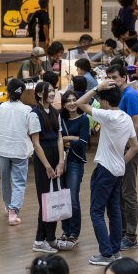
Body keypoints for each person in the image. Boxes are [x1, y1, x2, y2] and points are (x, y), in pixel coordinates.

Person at [75, 81, 138, 266]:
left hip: (105, 170)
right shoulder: (126, 118)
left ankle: (106, 253)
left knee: (96, 211)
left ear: (104, 101)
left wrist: (96, 88)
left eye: (101, 99)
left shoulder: (108, 116)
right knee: (114, 211)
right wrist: (121, 162)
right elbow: (134, 148)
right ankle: (114, 251)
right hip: (118, 170)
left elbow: (80, 103)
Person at [105, 63, 138, 253]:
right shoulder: (119, 95)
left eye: (114, 77)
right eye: (109, 77)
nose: (111, 80)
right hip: (119, 152)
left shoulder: (130, 96)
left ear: (124, 77)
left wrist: (126, 145)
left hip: (129, 152)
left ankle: (131, 236)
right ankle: (122, 232)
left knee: (128, 193)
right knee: (120, 193)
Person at [30, 81, 65, 254]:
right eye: (48, 91)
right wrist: (47, 166)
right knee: (45, 200)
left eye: (53, 90)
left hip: (55, 157)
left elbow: (59, 138)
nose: (52, 94)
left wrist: (60, 161)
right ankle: (39, 239)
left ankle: (50, 237)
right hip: (43, 158)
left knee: (55, 197)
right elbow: (36, 143)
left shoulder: (55, 112)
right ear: (38, 94)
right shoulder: (34, 114)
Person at [0, 78, 37, 226]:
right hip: (20, 150)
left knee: (5, 179)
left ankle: (8, 206)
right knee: (19, 182)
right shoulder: (27, 110)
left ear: (8, 91)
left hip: (3, 149)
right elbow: (31, 131)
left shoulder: (0, 107)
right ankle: (14, 211)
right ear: (22, 93)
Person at [57, 90, 90, 249]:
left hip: (76, 162)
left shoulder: (84, 119)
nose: (71, 103)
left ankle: (74, 233)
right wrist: (71, 140)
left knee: (73, 197)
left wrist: (67, 139)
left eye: (73, 100)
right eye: (67, 100)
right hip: (61, 161)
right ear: (63, 104)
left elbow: (83, 142)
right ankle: (65, 230)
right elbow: (57, 140)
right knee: (63, 197)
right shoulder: (60, 119)